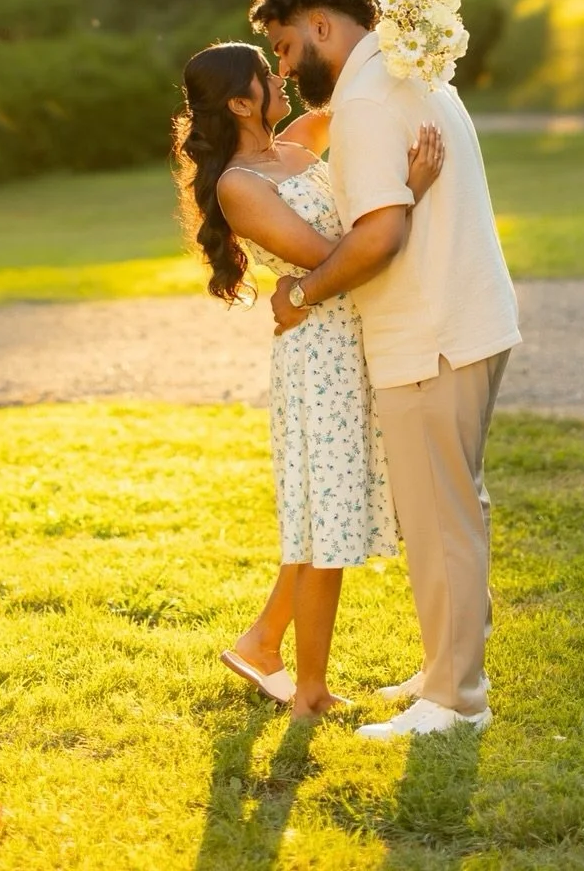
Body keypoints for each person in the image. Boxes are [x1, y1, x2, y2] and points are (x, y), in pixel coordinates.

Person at [248, 0, 522, 740]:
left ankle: (455, 699)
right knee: (452, 504)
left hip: (430, 331)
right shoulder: (416, 74)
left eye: (289, 46)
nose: (288, 67)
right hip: (470, 315)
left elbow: (377, 236)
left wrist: (299, 295)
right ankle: (451, 662)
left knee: (441, 517)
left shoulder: (367, 101)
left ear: (324, 26)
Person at [174, 40, 446, 720]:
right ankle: (302, 683)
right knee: (328, 519)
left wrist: (413, 44)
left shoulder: (297, 143)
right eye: (268, 77)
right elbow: (335, 257)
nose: (281, 77)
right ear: (240, 103)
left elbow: (354, 98)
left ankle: (265, 645)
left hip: (356, 337)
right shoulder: (241, 185)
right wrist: (406, 192)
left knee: (333, 514)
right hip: (320, 356)